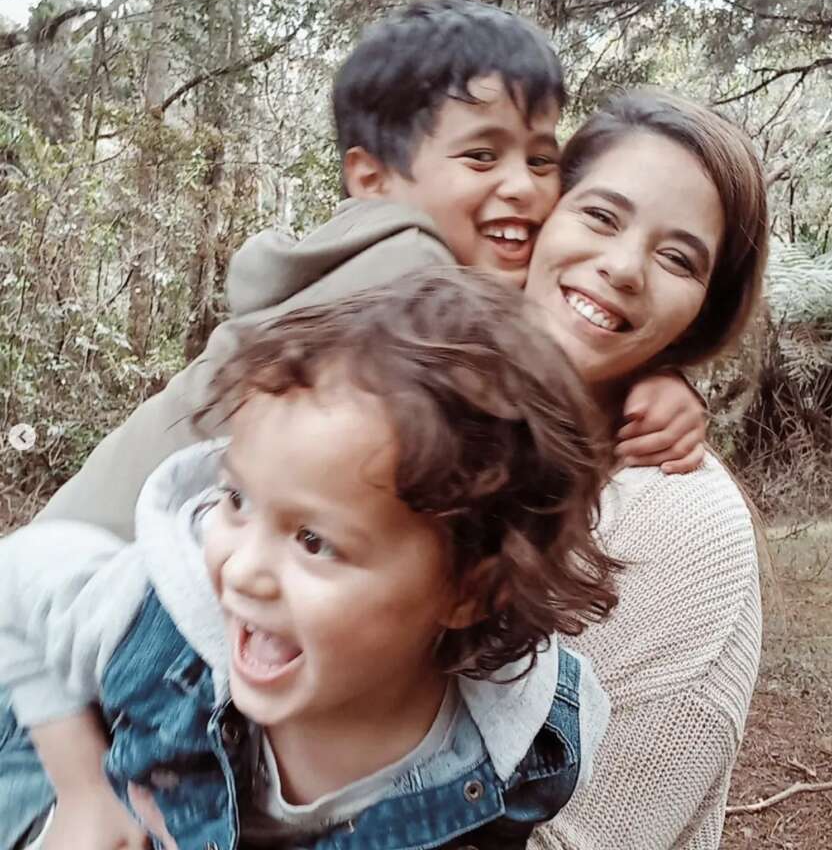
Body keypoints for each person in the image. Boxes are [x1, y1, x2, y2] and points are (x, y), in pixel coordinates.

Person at [33, 0, 707, 544]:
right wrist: (653, 376)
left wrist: (657, 373)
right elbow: (541, 369)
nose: (524, 189)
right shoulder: (406, 271)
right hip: (81, 595)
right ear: (371, 176)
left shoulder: (381, 261)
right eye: (480, 158)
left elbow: (558, 328)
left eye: (539, 160)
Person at [0, 269, 618, 850]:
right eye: (237, 500)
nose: (242, 570)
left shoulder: (527, 743)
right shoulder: (158, 616)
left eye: (313, 542)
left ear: (470, 591)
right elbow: (17, 577)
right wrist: (79, 791)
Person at [522, 89, 769, 849]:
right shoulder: (425, 392)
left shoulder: (681, 522)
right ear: (540, 216)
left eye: (677, 258)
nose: (624, 267)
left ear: (703, 310)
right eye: (599, 215)